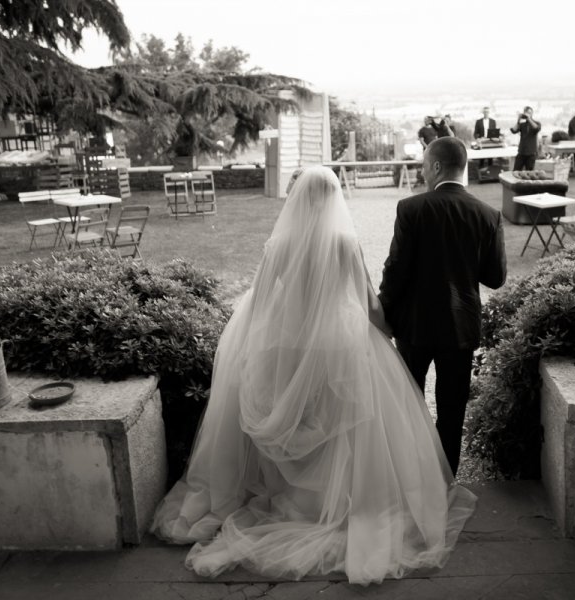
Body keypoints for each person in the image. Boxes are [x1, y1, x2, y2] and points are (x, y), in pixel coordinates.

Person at [152, 166, 477, 585]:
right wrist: (387, 334)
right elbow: (370, 304)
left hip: (286, 345)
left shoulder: (279, 245)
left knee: (296, 422)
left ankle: (293, 499)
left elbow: (263, 302)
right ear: (333, 200)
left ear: (297, 199)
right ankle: (332, 503)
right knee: (339, 429)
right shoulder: (345, 242)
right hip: (339, 345)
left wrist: (251, 347)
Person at [379, 137, 507, 475]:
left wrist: (382, 311)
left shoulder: (411, 209)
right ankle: (445, 481)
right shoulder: (487, 215)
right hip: (459, 325)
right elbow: (495, 278)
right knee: (452, 411)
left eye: (423, 166)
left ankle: (412, 476)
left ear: (436, 167)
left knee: (410, 403)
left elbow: (396, 270)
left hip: (414, 324)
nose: (422, 173)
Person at [511, 106, 541, 171]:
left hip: (531, 153)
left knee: (529, 173)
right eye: (526, 113)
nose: (528, 114)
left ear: (532, 113)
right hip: (521, 152)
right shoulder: (522, 124)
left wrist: (529, 119)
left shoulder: (537, 123)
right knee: (516, 171)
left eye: (529, 113)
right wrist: (518, 120)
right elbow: (513, 130)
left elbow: (536, 128)